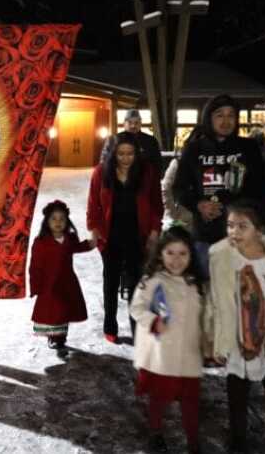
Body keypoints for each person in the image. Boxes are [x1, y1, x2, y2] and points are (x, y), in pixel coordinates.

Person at [204, 200, 265, 454]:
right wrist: (213, 338)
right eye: (230, 225)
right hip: (235, 337)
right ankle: (237, 441)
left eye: (242, 226)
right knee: (237, 390)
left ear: (260, 230)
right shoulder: (222, 257)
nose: (234, 232)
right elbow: (215, 301)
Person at [172, 94, 265, 280]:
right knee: (207, 292)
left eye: (231, 115)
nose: (226, 121)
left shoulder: (249, 148)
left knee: (238, 295)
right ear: (209, 118)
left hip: (242, 237)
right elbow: (179, 188)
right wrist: (198, 205)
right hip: (205, 235)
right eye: (219, 115)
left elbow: (263, 190)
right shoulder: (194, 149)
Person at [130, 227, 203, 454]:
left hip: (190, 353)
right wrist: (152, 321)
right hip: (163, 355)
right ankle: (156, 432)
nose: (176, 259)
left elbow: (204, 316)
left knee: (191, 401)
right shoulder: (152, 280)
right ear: (160, 253)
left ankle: (193, 442)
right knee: (159, 398)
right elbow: (137, 307)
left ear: (191, 256)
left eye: (183, 253)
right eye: (170, 252)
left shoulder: (196, 284)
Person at [87, 132, 163, 343]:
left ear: (137, 154)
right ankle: (110, 325)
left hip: (138, 236)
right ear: (113, 154)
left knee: (135, 283)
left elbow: (157, 204)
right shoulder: (101, 172)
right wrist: (95, 230)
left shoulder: (147, 172)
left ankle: (136, 326)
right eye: (121, 154)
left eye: (130, 154)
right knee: (110, 283)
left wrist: (155, 231)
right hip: (110, 236)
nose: (126, 158)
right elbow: (93, 205)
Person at [29, 200, 94, 354]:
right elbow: (35, 266)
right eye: (54, 218)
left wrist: (90, 244)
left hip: (67, 283)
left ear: (67, 221)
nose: (58, 222)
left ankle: (61, 337)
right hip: (49, 285)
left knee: (64, 311)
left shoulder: (69, 239)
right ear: (47, 221)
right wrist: (35, 286)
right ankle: (53, 337)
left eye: (62, 219)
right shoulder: (41, 242)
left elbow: (77, 247)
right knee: (54, 313)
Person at [99, 108, 163, 175]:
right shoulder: (113, 140)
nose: (133, 126)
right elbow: (104, 162)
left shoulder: (150, 141)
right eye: (130, 122)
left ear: (141, 123)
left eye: (136, 123)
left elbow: (158, 164)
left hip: (144, 179)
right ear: (124, 123)